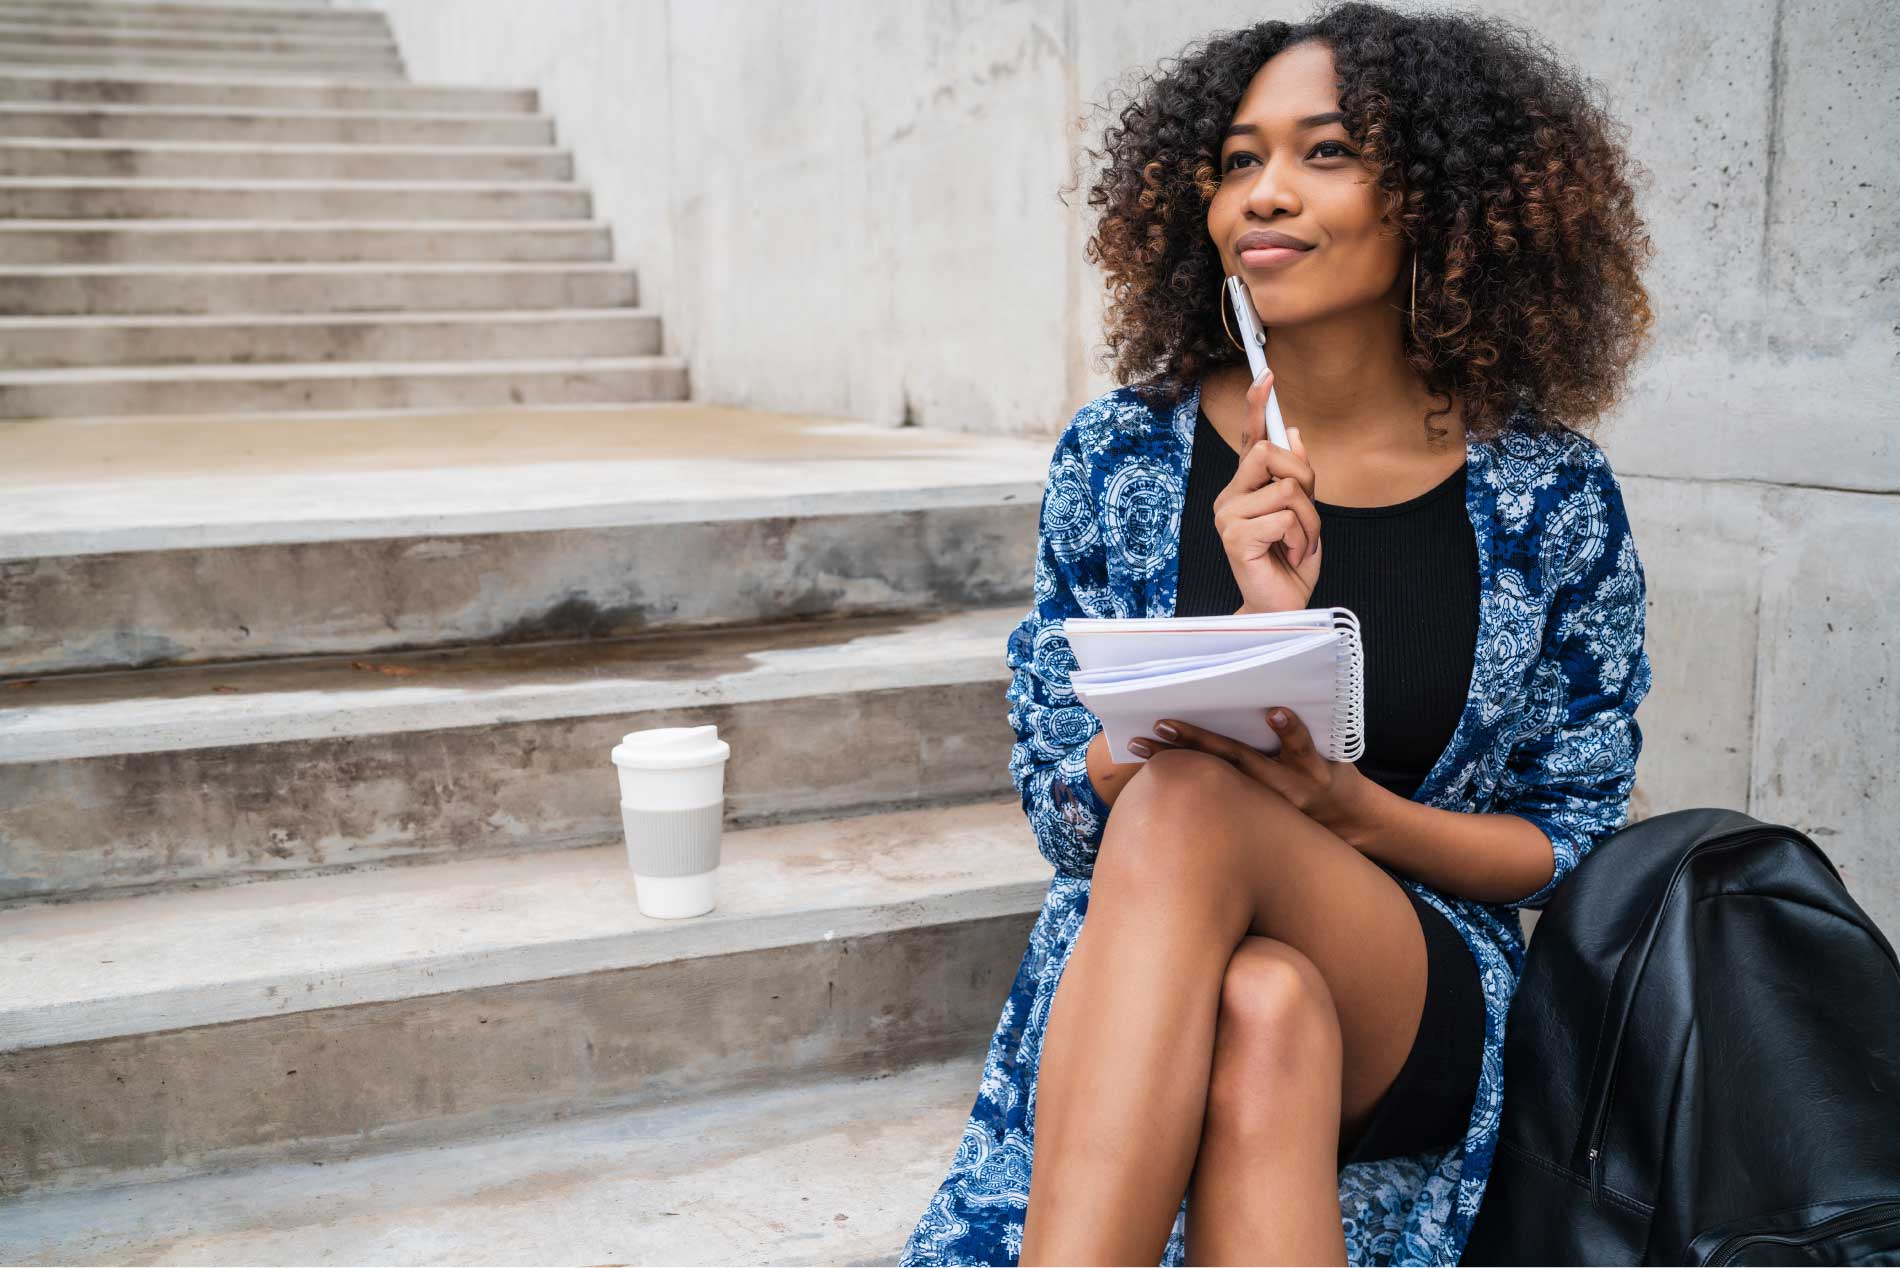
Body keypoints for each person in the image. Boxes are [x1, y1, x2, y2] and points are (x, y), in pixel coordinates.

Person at [899, 2, 1657, 1264]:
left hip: (1412, 972)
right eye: (1238, 161)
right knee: (1259, 998)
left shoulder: (1544, 491)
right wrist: (1250, 635)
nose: (1266, 193)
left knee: (1193, 792)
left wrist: (1347, 810)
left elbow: (1568, 837)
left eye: (1325, 152)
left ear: (1440, 199)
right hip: (1172, 952)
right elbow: (1061, 810)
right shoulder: (1121, 455)